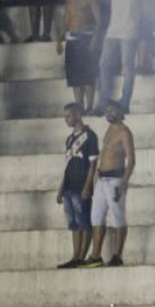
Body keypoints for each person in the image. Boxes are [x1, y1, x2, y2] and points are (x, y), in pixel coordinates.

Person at [81, 100, 135, 268]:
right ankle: (96, 256)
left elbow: (131, 160)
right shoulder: (109, 129)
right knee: (96, 218)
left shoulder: (124, 132)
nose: (109, 114)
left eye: (112, 111)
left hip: (115, 179)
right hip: (102, 179)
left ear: (120, 111)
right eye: (106, 111)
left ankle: (117, 256)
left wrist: (124, 182)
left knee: (118, 218)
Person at [57, 103, 98, 269]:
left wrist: (88, 186)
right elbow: (67, 165)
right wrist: (61, 188)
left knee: (84, 222)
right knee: (74, 223)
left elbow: (93, 163)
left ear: (78, 114)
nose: (66, 119)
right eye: (65, 116)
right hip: (69, 186)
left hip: (81, 185)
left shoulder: (89, 136)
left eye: (69, 116)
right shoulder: (69, 138)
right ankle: (75, 256)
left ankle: (82, 255)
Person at [97, 0, 140, 114]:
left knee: (127, 67)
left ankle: (125, 102)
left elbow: (144, 1)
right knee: (103, 64)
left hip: (129, 29)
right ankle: (103, 101)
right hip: (113, 29)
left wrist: (138, 21)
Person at [59, 0, 101, 114]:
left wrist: (95, 39)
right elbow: (66, 20)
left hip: (86, 39)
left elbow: (99, 21)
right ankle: (79, 107)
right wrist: (59, 39)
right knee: (75, 78)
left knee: (88, 76)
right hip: (72, 40)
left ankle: (89, 106)